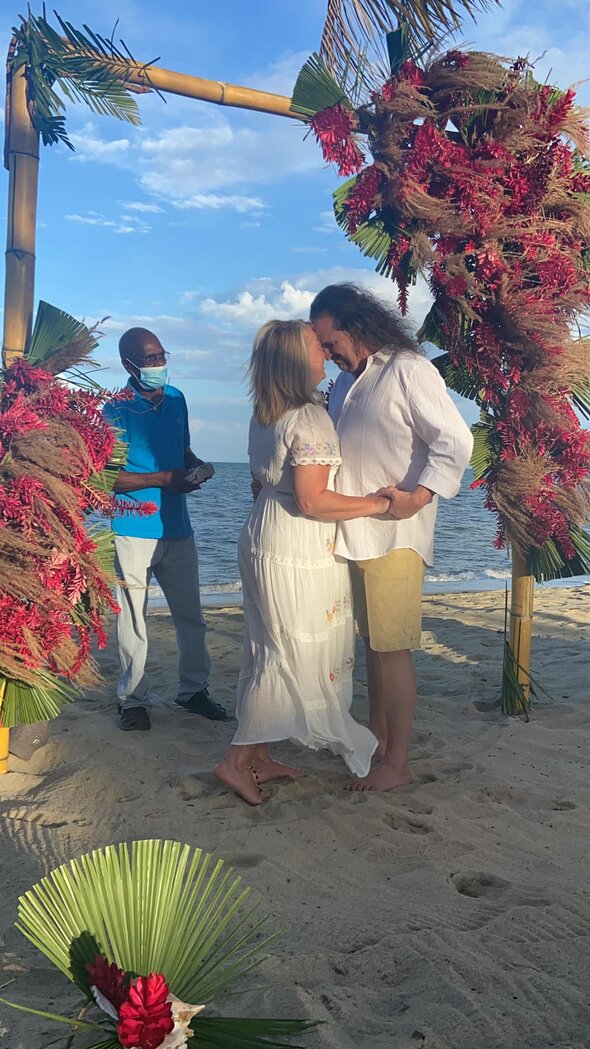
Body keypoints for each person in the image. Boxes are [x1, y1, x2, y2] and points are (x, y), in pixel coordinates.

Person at [215, 319, 389, 805]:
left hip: (263, 529)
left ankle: (261, 756)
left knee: (266, 644)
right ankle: (236, 760)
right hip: (295, 541)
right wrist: (378, 505)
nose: (327, 352)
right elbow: (313, 501)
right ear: (297, 359)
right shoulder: (309, 418)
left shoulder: (264, 411)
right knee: (287, 652)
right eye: (317, 346)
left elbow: (264, 481)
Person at [310, 284, 474, 793]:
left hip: (395, 534)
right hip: (351, 534)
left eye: (328, 340)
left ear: (355, 326)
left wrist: (419, 497)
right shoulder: (343, 384)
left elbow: (455, 440)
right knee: (371, 645)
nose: (325, 352)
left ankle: (397, 763)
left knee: (392, 649)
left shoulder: (407, 368)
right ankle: (376, 742)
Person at [103, 327, 228, 731]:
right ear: (128, 365)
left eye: (161, 356)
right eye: (149, 359)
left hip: (177, 525)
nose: (158, 365)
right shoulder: (114, 411)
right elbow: (108, 478)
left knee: (191, 615)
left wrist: (197, 468)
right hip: (132, 527)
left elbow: (183, 450)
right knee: (133, 620)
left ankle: (194, 691)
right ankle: (132, 700)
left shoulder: (177, 399)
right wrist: (163, 479)